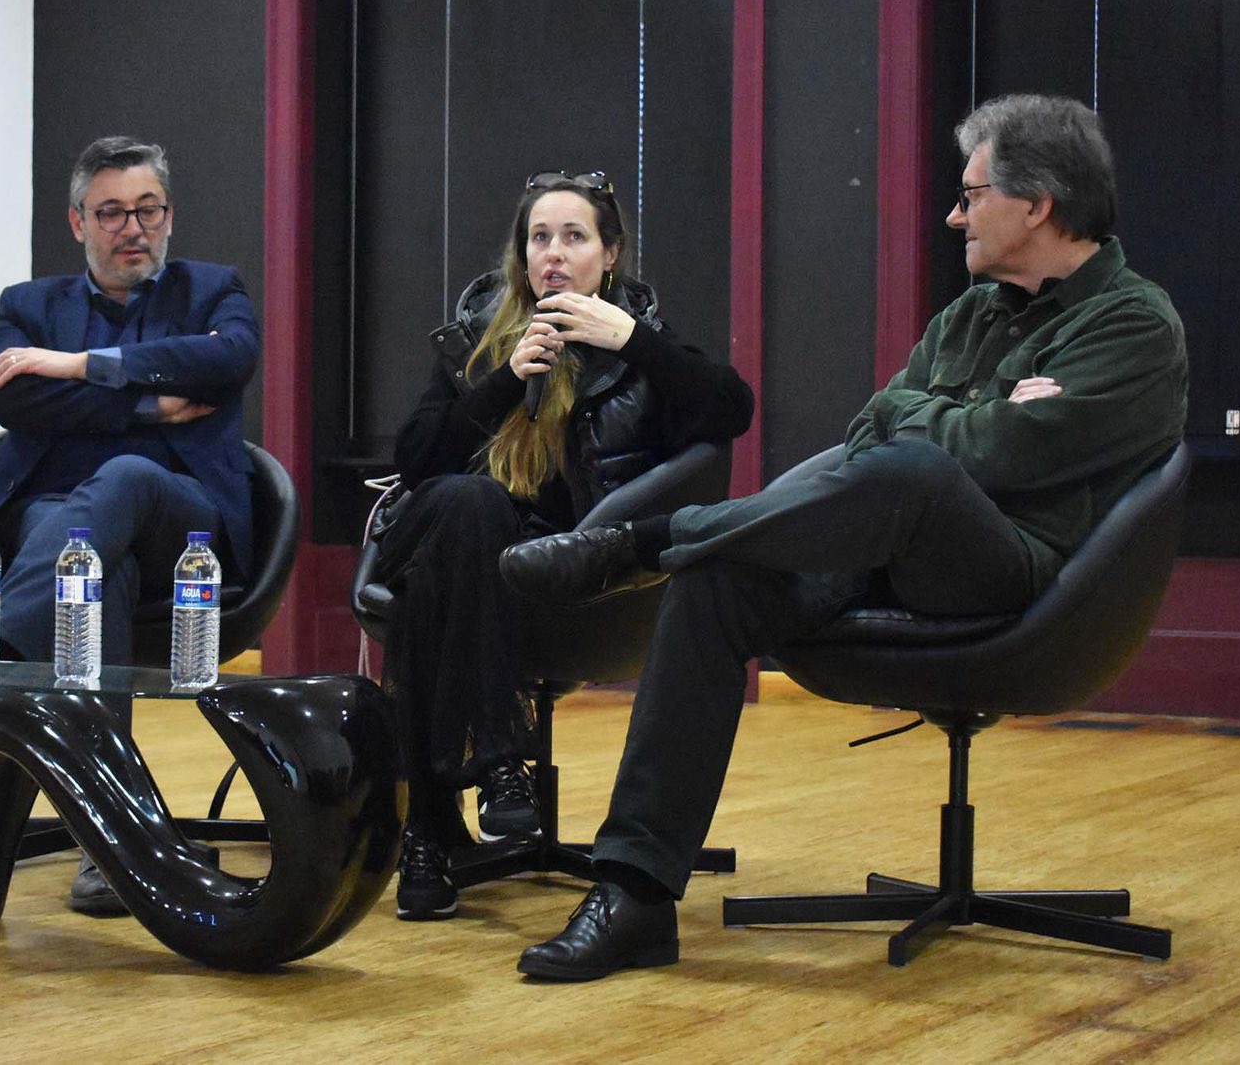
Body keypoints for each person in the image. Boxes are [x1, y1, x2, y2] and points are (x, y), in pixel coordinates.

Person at [500, 95, 1188, 979]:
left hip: (1021, 577)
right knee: (719, 583)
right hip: (879, 552)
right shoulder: (970, 316)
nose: (955, 215)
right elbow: (872, 429)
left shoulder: (1133, 324)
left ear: (1037, 204)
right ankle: (633, 895)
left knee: (917, 472)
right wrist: (971, 412)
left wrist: (935, 422)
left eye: (971, 196)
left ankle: (642, 542)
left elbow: (996, 454)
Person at [379, 170, 755, 922]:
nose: (553, 253)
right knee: (470, 502)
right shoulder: (480, 336)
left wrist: (635, 343)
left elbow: (731, 410)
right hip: (453, 532)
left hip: (561, 572)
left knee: (432, 592)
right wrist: (500, 383)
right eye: (539, 238)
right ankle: (498, 757)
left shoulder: (637, 345)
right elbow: (415, 461)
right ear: (521, 256)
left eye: (574, 237)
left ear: (609, 255)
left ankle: (427, 832)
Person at [0, 135, 260, 915]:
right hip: (59, 521)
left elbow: (228, 360)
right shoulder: (28, 306)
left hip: (182, 523)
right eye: (111, 212)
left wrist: (77, 366)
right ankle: (112, 842)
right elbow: (11, 398)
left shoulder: (214, 290)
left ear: (169, 215)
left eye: (147, 210)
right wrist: (149, 404)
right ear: (78, 222)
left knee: (129, 477)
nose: (131, 228)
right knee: (93, 569)